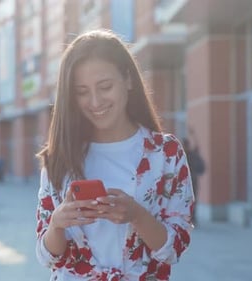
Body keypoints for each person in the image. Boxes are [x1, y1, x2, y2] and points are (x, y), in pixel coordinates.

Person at [35, 29, 195, 281]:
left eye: (105, 86)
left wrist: (136, 215)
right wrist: (57, 223)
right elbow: (48, 257)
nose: (95, 101)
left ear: (128, 80)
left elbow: (175, 247)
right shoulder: (60, 156)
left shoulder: (165, 154)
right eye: (82, 91)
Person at [182, 133, 205, 224]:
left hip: (192, 181)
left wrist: (194, 134)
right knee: (185, 201)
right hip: (184, 182)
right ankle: (188, 218)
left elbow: (197, 147)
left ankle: (193, 218)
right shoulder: (182, 155)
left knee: (193, 200)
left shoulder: (191, 154)